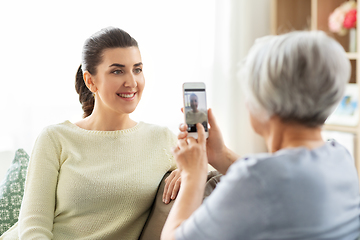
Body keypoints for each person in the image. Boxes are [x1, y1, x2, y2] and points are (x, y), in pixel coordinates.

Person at [161, 31, 360, 240]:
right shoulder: (340, 157)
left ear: (266, 102)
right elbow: (281, 182)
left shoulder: (255, 179)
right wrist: (221, 155)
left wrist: (193, 175)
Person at [1, 27, 181, 240]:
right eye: (117, 71)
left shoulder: (161, 139)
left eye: (137, 69)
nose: (132, 82)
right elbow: (33, 228)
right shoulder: (55, 138)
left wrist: (191, 172)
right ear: (90, 81)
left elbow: (218, 181)